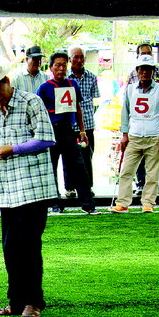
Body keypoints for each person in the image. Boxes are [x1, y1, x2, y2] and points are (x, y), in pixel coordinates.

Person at [0, 59, 56, 317]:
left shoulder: (32, 101)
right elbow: (1, 146)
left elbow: (46, 138)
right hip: (8, 191)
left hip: (33, 188)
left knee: (29, 246)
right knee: (11, 248)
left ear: (7, 81)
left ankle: (34, 302)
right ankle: (16, 301)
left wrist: (14, 149)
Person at [36, 52, 99, 215]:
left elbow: (78, 108)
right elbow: (38, 112)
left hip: (69, 130)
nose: (61, 68)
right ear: (50, 67)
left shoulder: (73, 84)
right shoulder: (44, 88)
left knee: (79, 166)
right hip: (51, 131)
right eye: (57, 65)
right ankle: (55, 203)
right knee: (51, 167)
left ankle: (88, 204)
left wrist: (82, 130)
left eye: (64, 65)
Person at [110, 54, 159, 213]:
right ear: (137, 70)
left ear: (153, 71)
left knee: (152, 173)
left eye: (148, 69)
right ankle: (122, 203)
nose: (145, 72)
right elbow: (125, 113)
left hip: (154, 136)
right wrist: (124, 135)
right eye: (142, 69)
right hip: (134, 136)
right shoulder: (130, 89)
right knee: (126, 171)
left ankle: (148, 203)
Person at [127, 43, 159, 196]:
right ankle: (140, 184)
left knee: (157, 156)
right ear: (137, 56)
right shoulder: (133, 74)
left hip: (155, 122)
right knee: (138, 158)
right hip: (138, 125)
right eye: (143, 53)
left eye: (149, 52)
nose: (146, 54)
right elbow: (128, 99)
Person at [64, 46, 100, 198]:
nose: (79, 60)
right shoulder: (64, 78)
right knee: (68, 158)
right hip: (69, 125)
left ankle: (87, 188)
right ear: (70, 59)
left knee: (87, 158)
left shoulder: (91, 77)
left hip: (88, 125)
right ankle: (70, 188)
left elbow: (94, 100)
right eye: (75, 57)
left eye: (81, 57)